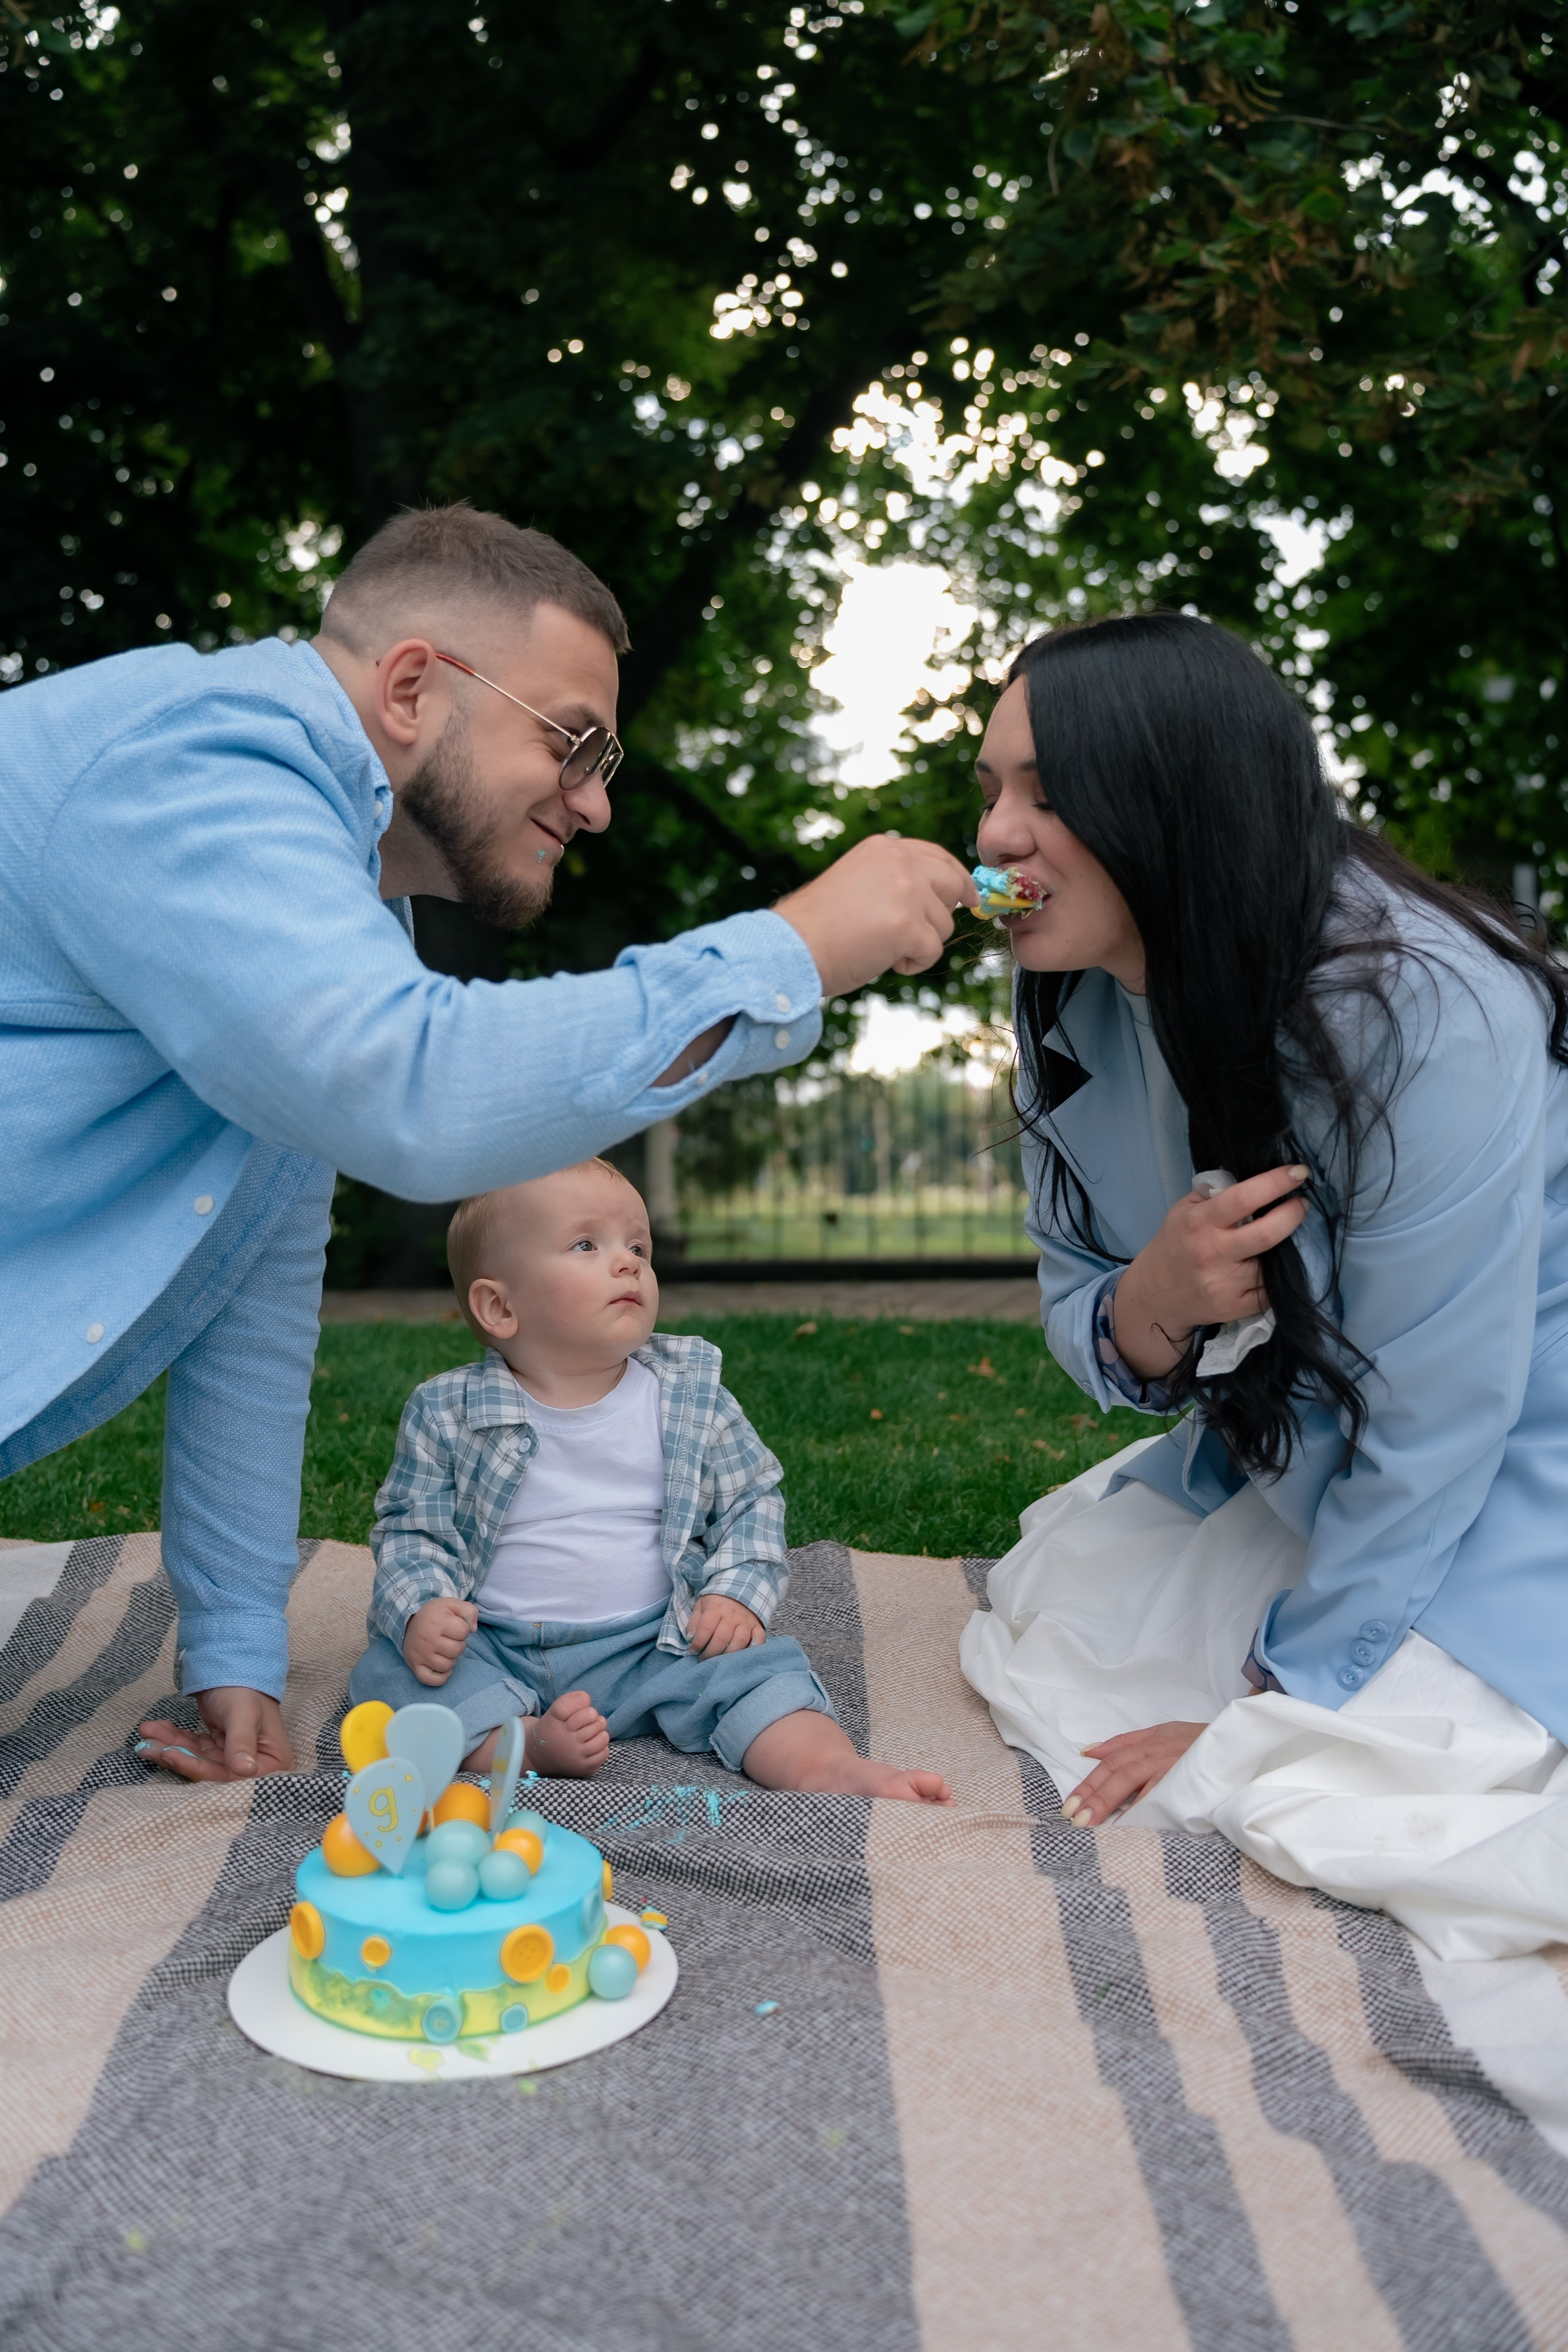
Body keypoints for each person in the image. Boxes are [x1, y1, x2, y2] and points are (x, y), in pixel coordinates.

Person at [0, 503, 971, 1784]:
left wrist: (232, 1650)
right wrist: (794, 948)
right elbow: (421, 1090)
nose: (594, 805)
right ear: (412, 684)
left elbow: (260, 1285)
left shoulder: (339, 915)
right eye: (572, 742)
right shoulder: (196, 765)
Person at [957, 612, 1568, 1955]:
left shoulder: (1432, 1007)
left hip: (1517, 1454)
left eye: (1047, 797)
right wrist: (1157, 1297)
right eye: (991, 789)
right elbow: (1085, 1308)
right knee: (1062, 1611)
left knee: (1334, 1800)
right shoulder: (1069, 996)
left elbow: (1443, 1409)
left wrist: (1269, 1702)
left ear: (1174, 803)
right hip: (1308, 1445)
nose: (994, 836)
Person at [341, 1158, 952, 1802]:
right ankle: (521, 1742)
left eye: (639, 1246)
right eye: (587, 1244)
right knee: (390, 1672)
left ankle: (828, 1768)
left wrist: (736, 1593)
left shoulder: (689, 1398)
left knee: (755, 1669)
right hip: (493, 1641)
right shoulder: (446, 1411)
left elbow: (750, 1501)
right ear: (499, 1306)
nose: (628, 1262)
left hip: (655, 1640)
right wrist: (423, 1610)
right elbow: (412, 1528)